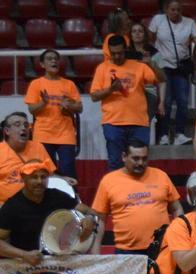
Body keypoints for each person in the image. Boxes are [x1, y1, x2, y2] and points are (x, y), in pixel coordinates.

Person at [91, 140, 183, 255]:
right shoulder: (108, 181)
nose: (140, 163)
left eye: (144, 159)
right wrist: (95, 255)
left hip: (162, 247)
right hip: (126, 251)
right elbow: (99, 220)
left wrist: (179, 236)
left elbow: (177, 209)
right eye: (136, 158)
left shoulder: (161, 175)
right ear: (124, 157)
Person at [0, 161, 102, 265]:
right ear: (23, 178)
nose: (39, 181)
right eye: (34, 177)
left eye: (43, 177)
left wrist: (90, 218)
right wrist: (23, 255)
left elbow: (90, 211)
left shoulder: (57, 196)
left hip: (59, 261)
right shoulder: (12, 206)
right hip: (25, 265)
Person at [91, 36, 165, 171]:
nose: (116, 56)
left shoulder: (139, 65)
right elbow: (94, 96)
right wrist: (111, 89)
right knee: (115, 162)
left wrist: (152, 64)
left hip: (138, 122)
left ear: (125, 49)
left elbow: (161, 79)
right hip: (113, 123)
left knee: (140, 163)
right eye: (113, 53)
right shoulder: (102, 68)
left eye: (120, 53)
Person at [148, 0, 196, 145]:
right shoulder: (158, 20)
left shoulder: (189, 22)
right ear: (166, 10)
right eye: (172, 9)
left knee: (183, 101)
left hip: (181, 67)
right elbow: (150, 39)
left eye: (178, 10)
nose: (176, 12)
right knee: (166, 101)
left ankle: (179, 133)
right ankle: (164, 134)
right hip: (163, 66)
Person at [25, 50, 83, 179]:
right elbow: (31, 109)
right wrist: (43, 102)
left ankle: (71, 193)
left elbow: (79, 108)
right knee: (47, 172)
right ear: (42, 64)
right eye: (50, 59)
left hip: (66, 134)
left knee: (68, 170)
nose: (53, 61)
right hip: (43, 134)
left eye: (56, 59)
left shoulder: (69, 84)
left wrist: (69, 106)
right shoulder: (36, 84)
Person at [0, 113, 60, 205]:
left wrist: (63, 179)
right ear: (7, 131)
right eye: (17, 125)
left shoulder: (38, 147)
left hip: (37, 204)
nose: (23, 128)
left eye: (26, 125)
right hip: (5, 206)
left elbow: (50, 175)